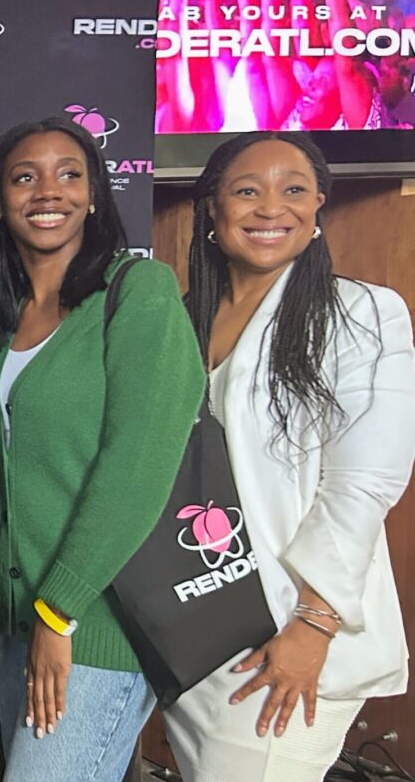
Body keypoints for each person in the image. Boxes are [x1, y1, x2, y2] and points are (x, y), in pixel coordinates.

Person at [161, 132, 414, 782]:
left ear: (318, 207)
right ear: (212, 209)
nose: (271, 207)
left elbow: (366, 479)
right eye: (247, 190)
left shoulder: (360, 314)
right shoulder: (180, 321)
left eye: (293, 189)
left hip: (286, 637)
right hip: (195, 631)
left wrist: (314, 625)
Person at [0, 117, 203, 781]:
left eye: (70, 174)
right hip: (15, 624)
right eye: (25, 177)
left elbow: (138, 466)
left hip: (95, 622)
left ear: (96, 194)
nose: (49, 191)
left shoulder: (137, 292)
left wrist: (58, 610)